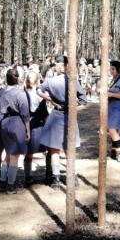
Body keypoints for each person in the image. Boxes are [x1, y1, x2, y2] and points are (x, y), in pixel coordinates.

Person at [37, 55, 87, 189]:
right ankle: (73, 177)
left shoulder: (51, 81)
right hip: (69, 117)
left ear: (59, 66)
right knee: (69, 150)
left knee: (54, 151)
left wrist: (51, 100)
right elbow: (83, 101)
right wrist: (72, 107)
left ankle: (56, 180)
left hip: (56, 116)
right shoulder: (73, 81)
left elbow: (38, 91)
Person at [0, 69, 30, 194]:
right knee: (14, 155)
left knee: (8, 154)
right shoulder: (20, 93)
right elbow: (25, 115)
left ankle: (2, 182)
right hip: (17, 122)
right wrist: (28, 131)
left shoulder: (3, 93)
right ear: (18, 78)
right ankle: (11, 185)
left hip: (5, 122)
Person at [23, 71, 50, 186]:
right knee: (50, 150)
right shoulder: (40, 95)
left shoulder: (22, 93)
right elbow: (45, 113)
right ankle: (49, 175)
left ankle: (28, 177)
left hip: (27, 126)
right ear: (38, 80)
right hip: (38, 126)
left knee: (29, 153)